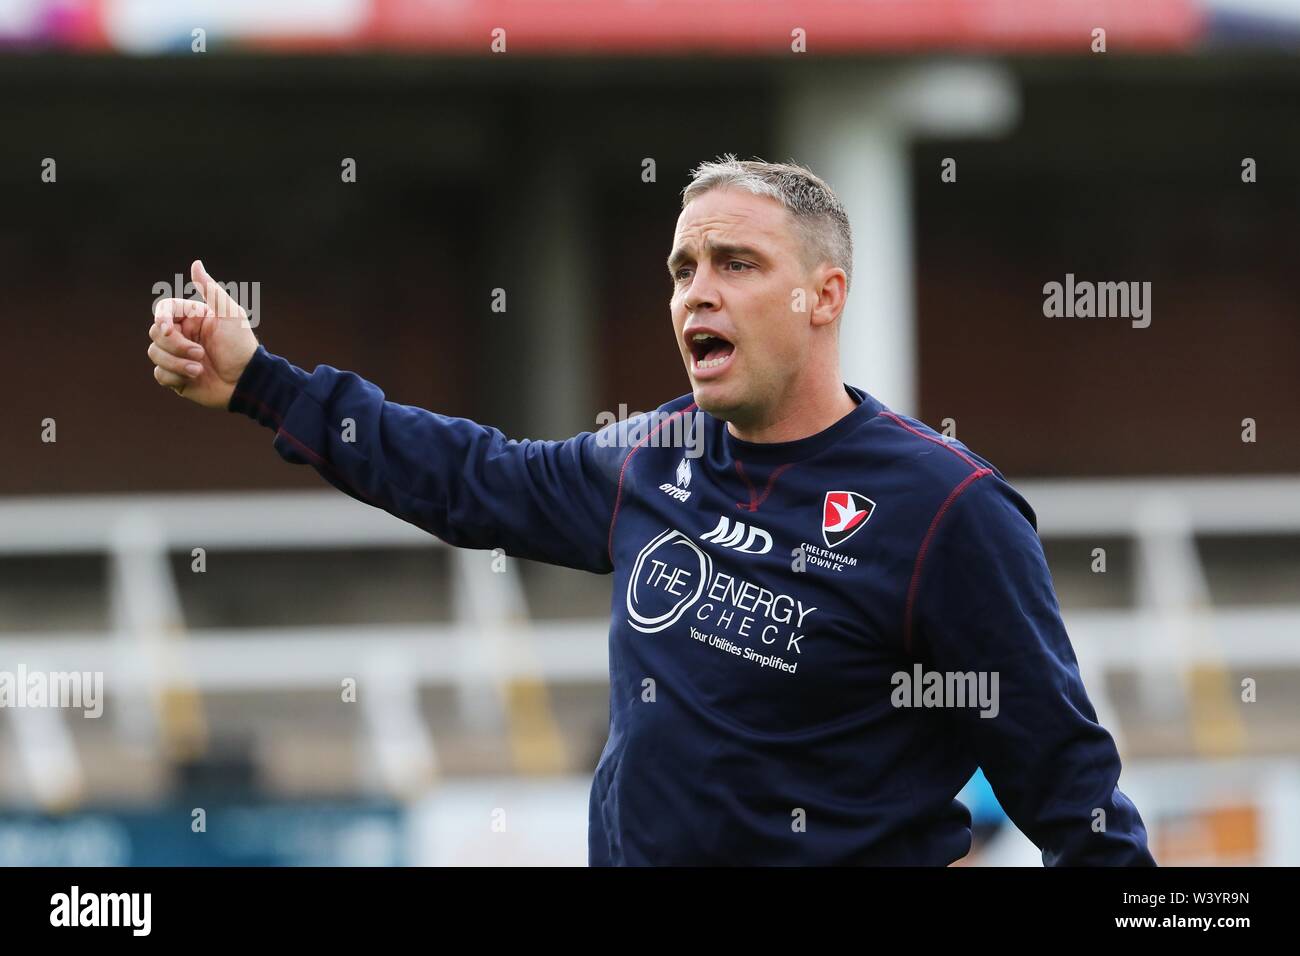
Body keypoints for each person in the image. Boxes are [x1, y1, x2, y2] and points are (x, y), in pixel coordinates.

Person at [146, 155, 1155, 866]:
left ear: (824, 294)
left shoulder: (946, 508)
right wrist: (261, 383)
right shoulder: (652, 452)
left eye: (736, 264)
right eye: (682, 269)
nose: (694, 294)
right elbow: (469, 475)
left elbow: (1074, 795)